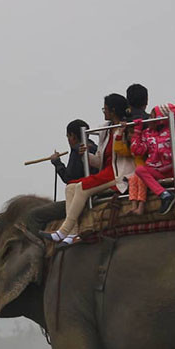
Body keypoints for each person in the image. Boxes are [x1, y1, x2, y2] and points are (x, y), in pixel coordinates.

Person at [45, 95, 131, 245]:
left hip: (119, 173)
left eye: (105, 108)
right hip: (107, 171)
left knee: (81, 187)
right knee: (71, 187)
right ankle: (72, 234)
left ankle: (63, 231)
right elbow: (99, 161)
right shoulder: (105, 130)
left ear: (113, 110)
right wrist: (85, 155)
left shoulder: (124, 129)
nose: (104, 111)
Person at [131, 102, 175, 215]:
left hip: (174, 168)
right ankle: (164, 195)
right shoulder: (146, 134)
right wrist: (137, 131)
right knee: (139, 170)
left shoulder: (174, 130)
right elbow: (137, 150)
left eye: (152, 117)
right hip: (157, 171)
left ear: (160, 119)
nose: (149, 119)